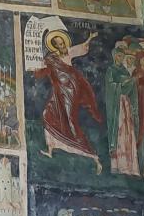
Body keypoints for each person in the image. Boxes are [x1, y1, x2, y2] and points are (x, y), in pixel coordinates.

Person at [35, 29, 104, 172]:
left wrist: (90, 38)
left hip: (71, 89)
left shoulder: (68, 52)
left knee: (70, 121)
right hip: (59, 92)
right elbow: (42, 69)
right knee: (48, 114)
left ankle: (93, 156)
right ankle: (50, 148)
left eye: (62, 43)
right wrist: (36, 67)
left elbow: (82, 48)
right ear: (54, 46)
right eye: (59, 44)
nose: (62, 46)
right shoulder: (51, 58)